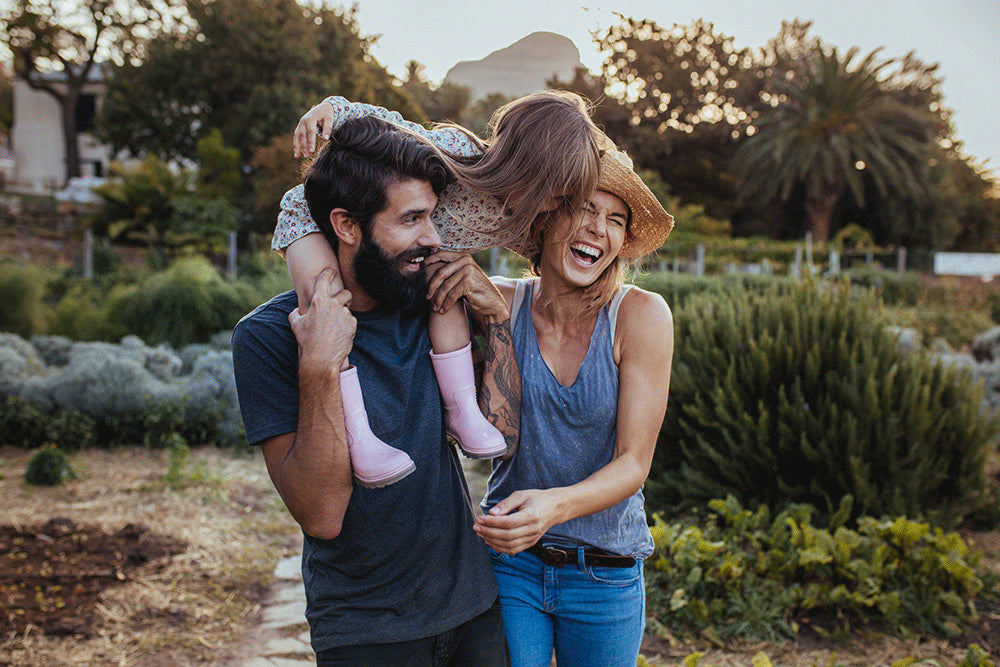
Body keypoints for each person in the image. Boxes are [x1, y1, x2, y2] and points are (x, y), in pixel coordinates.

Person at [290, 103, 675, 666]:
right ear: (550, 218)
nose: (597, 227)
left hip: (605, 571)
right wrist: (333, 111)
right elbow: (390, 174)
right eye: (582, 208)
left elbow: (634, 463)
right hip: (511, 561)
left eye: (616, 220)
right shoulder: (494, 290)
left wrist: (553, 507)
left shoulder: (639, 316)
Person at [231, 116, 518, 665]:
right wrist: (319, 363)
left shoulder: (428, 301)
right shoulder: (267, 339)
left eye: (431, 216)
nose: (431, 237)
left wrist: (496, 320)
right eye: (410, 219)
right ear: (346, 225)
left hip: (474, 609)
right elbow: (321, 515)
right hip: (365, 631)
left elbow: (507, 430)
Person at [275, 91, 604, 484]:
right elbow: (391, 125)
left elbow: (554, 252)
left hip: (414, 249)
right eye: (554, 192)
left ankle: (462, 409)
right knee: (324, 301)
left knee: (447, 288)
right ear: (525, 167)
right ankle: (358, 435)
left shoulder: (520, 215)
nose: (554, 205)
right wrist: (332, 110)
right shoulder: (458, 152)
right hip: (311, 217)